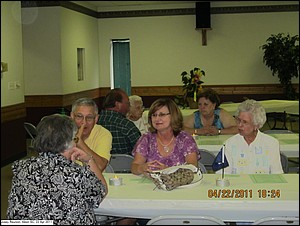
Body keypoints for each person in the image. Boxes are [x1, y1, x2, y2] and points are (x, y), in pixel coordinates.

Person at [7, 114, 107, 224]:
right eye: (75, 139)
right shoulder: (76, 174)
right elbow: (102, 191)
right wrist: (89, 160)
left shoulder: (22, 168)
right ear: (67, 142)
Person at [131, 98, 199, 175]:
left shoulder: (185, 139)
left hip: (180, 184)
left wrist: (169, 170)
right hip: (151, 184)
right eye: (154, 115)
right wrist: (141, 168)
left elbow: (192, 166)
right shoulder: (146, 139)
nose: (157, 119)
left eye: (162, 115)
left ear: (173, 116)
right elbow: (134, 166)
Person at [220, 99, 283, 174]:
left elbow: (277, 174)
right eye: (238, 120)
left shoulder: (272, 144)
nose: (240, 125)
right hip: (238, 185)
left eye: (245, 122)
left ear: (256, 125)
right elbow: (223, 174)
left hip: (263, 185)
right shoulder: (229, 144)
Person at [71, 97, 112, 172]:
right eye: (79, 116)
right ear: (72, 116)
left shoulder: (103, 134)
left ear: (96, 119)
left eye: (89, 117)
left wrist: (80, 142)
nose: (84, 122)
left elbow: (100, 166)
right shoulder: (63, 132)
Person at [98, 88, 141, 155]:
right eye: (128, 103)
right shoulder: (127, 126)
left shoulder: (94, 122)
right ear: (118, 105)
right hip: (126, 164)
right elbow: (142, 151)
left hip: (98, 164)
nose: (128, 107)